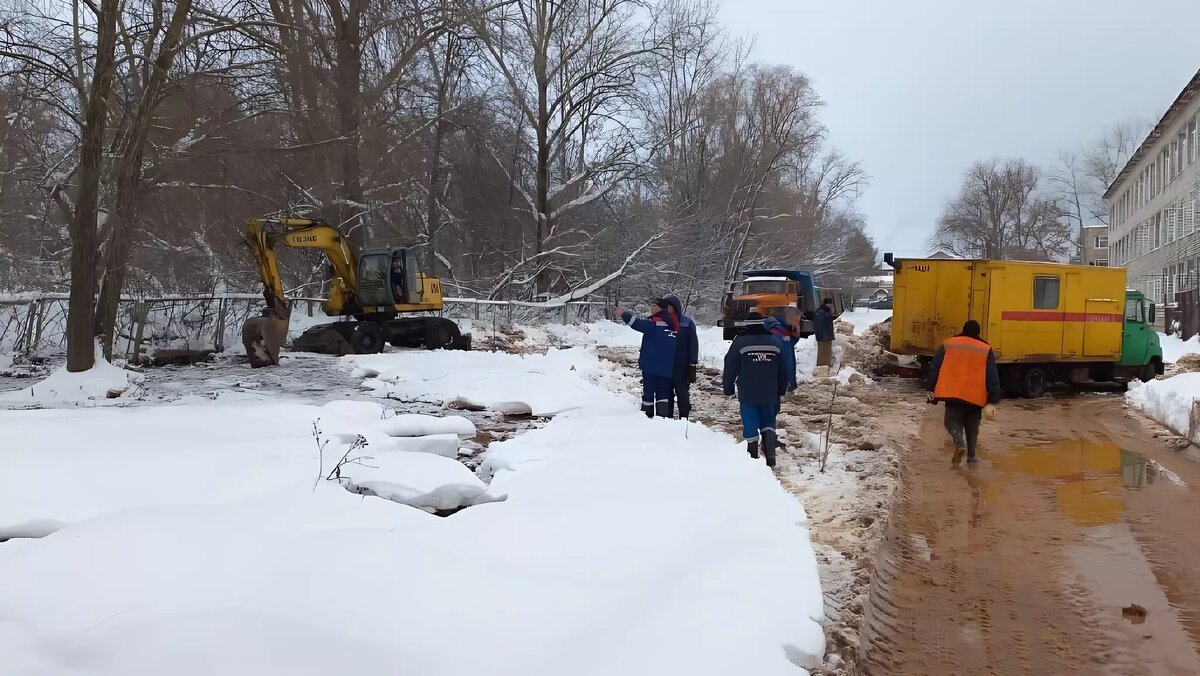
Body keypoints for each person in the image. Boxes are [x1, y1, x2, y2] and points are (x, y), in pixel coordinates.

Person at [927, 320, 1002, 467]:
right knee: (972, 426)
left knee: (951, 422)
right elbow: (992, 374)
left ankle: (959, 443)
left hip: (953, 393)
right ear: (978, 332)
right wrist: (993, 398)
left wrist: (931, 388)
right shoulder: (985, 348)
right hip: (975, 396)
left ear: (963, 329)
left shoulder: (949, 344)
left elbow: (936, 367)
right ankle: (972, 458)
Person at [723, 310, 788, 468]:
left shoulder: (740, 342)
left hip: (748, 392)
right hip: (770, 392)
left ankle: (753, 458)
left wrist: (728, 387)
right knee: (768, 421)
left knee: (750, 422)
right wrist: (780, 389)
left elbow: (730, 365)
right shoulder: (775, 342)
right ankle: (770, 456)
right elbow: (783, 369)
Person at [616, 299, 679, 418]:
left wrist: (623, 313)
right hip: (667, 368)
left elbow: (636, 323)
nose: (651, 307)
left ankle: (646, 418)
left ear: (661, 308)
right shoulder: (674, 324)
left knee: (648, 393)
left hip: (650, 366)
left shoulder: (654, 324)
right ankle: (663, 418)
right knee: (663, 394)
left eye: (654, 305)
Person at [663, 294, 699, 419]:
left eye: (669, 306)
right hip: (664, 365)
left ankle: (684, 419)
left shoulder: (687, 323)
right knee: (666, 395)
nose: (667, 309)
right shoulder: (660, 322)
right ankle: (667, 419)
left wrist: (692, 364)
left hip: (682, 366)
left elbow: (693, 344)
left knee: (682, 393)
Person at [764, 307, 801, 395]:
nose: (797, 323)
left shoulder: (785, 329)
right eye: (796, 320)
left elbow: (789, 344)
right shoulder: (776, 330)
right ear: (788, 317)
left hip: (787, 364)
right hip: (781, 369)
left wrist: (795, 335)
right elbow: (781, 348)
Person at [814, 297, 836, 368]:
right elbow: (819, 325)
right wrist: (823, 336)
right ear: (827, 304)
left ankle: (825, 366)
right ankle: (823, 367)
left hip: (826, 336)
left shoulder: (824, 311)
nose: (832, 305)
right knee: (824, 353)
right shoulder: (822, 312)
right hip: (824, 336)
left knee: (826, 353)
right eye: (831, 303)